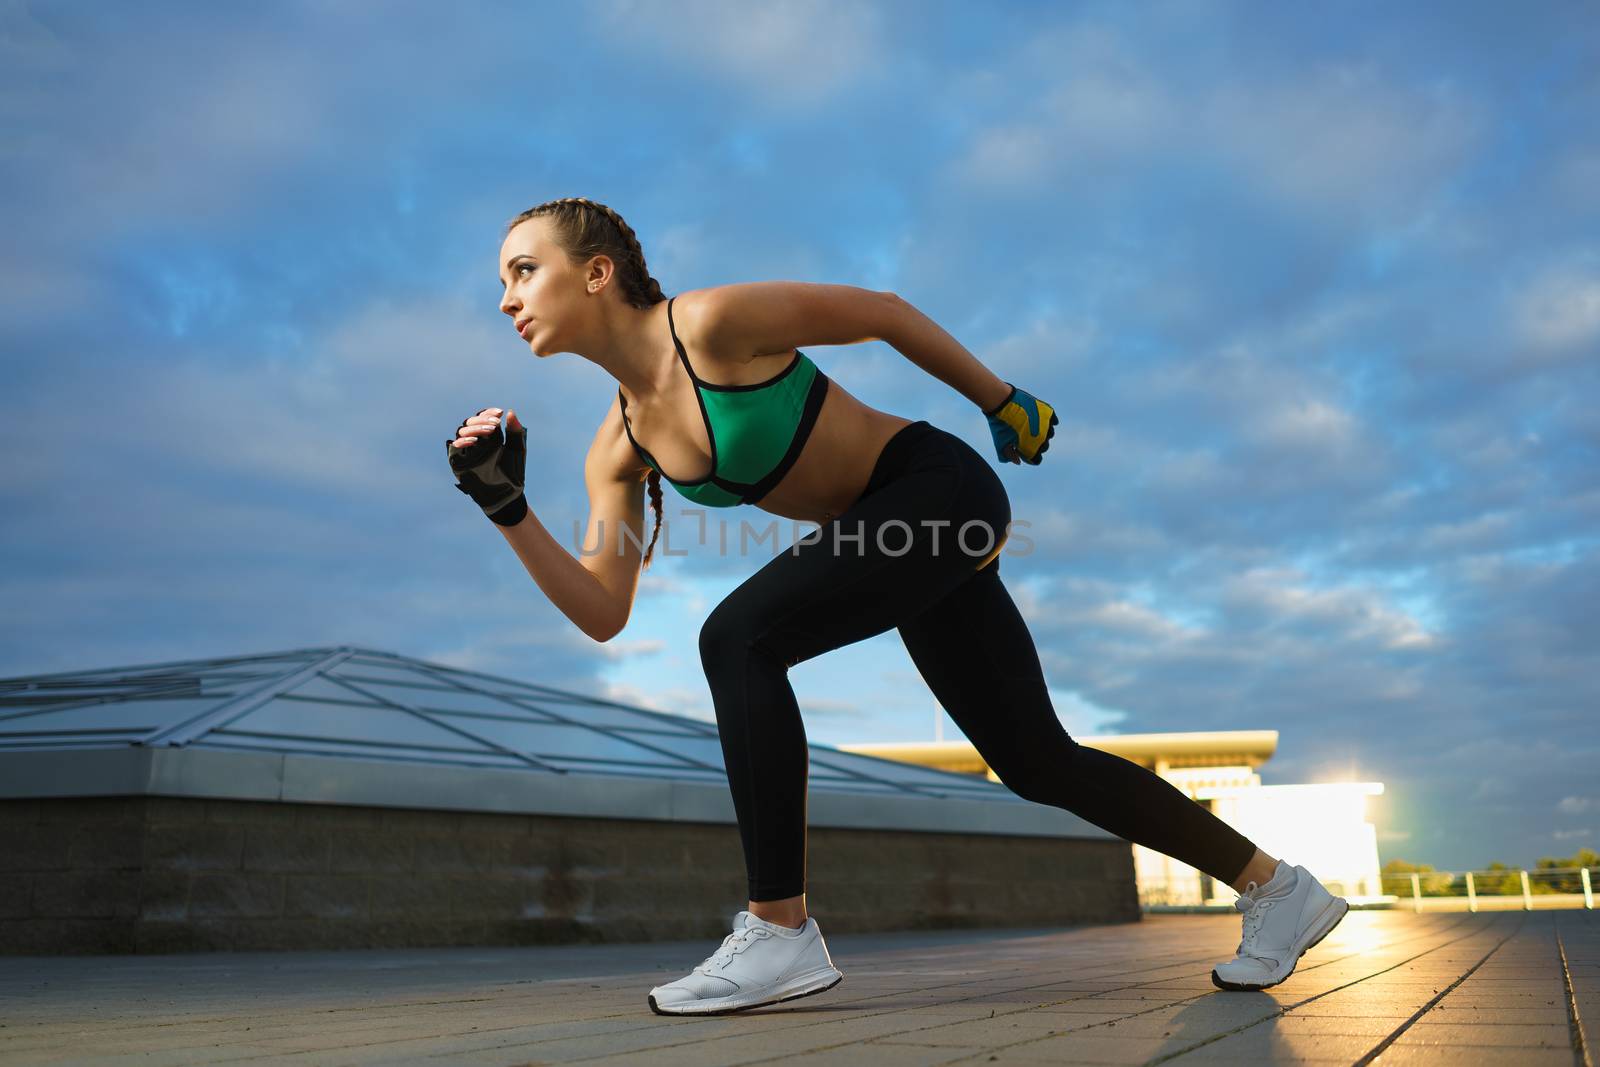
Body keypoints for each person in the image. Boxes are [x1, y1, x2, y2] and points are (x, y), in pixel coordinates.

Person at [446, 196, 1349, 1016]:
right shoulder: (618, 444)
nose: (507, 298)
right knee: (1036, 759)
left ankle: (780, 930)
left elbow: (879, 313)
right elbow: (605, 610)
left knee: (738, 636)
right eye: (502, 281)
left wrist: (1001, 400)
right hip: (895, 538)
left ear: (596, 272)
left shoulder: (712, 322)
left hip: (934, 487)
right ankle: (1277, 887)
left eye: (524, 270)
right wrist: (507, 510)